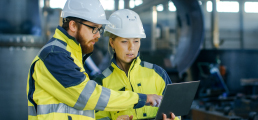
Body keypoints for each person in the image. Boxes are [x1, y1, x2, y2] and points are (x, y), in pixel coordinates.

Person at [26, 0, 162, 120]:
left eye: (99, 29)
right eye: (93, 28)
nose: (98, 35)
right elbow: (88, 97)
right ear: (73, 25)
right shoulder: (54, 55)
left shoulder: (71, 55)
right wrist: (141, 98)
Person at [94, 9, 180, 120]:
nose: (131, 47)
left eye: (136, 41)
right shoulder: (101, 83)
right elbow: (97, 117)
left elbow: (175, 112)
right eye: (124, 41)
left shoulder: (158, 74)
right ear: (112, 42)